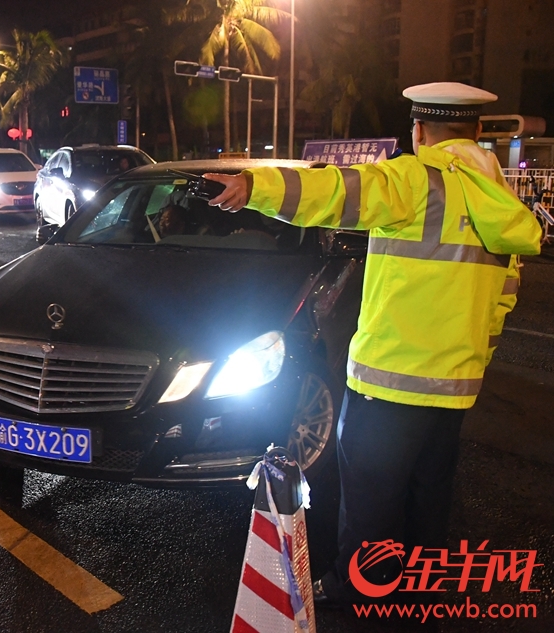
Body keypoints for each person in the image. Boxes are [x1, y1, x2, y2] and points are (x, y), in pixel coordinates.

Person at [202, 82, 541, 605]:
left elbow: (336, 192)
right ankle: (421, 592)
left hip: (387, 384)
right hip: (455, 388)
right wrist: (474, 358)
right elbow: (504, 297)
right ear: (476, 131)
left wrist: (254, 187)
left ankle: (359, 595)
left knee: (370, 504)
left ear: (421, 130)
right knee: (428, 498)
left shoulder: (417, 180)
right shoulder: (499, 201)